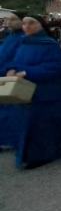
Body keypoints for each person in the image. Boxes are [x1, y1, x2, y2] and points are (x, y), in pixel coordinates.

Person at [2, 15, 61, 169]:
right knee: (30, 123)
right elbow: (15, 61)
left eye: (32, 23)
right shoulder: (23, 43)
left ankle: (44, 154)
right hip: (28, 91)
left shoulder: (49, 44)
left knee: (44, 124)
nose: (27, 26)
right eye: (24, 23)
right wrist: (10, 69)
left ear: (41, 25)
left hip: (49, 91)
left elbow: (57, 67)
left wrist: (27, 72)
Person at [0, 12, 26, 151]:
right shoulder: (10, 36)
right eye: (7, 19)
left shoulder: (24, 38)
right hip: (3, 75)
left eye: (13, 19)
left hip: (13, 76)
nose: (9, 22)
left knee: (11, 110)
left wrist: (13, 68)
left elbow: (22, 57)